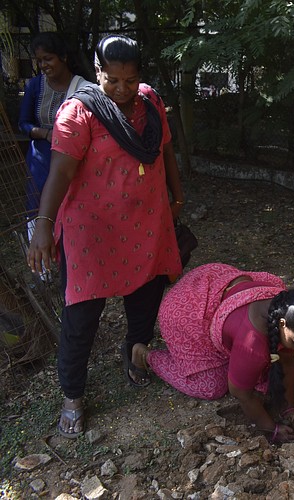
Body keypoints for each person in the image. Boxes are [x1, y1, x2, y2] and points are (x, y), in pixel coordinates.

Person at [27, 35, 186, 438]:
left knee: (146, 296)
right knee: (82, 315)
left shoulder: (150, 102)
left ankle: (136, 354)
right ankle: (72, 396)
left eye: (129, 80)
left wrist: (177, 194)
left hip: (146, 222)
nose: (121, 89)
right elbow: (61, 171)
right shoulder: (78, 112)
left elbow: (165, 150)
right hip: (91, 230)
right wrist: (44, 223)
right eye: (112, 80)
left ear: (139, 76)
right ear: (97, 72)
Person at [135, 263, 294, 443]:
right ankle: (145, 355)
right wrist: (270, 429)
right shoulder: (253, 344)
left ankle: (232, 346)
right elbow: (241, 393)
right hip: (186, 312)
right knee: (210, 386)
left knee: (262, 372)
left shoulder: (287, 306)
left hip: (212, 283)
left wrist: (289, 409)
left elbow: (288, 360)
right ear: (282, 324)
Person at [18, 32, 90, 238]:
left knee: (72, 208)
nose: (43, 65)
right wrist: (46, 133)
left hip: (73, 160)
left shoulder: (83, 88)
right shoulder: (34, 86)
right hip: (41, 159)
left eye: (48, 59)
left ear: (63, 57)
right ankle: (40, 251)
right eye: (39, 60)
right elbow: (23, 123)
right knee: (39, 209)